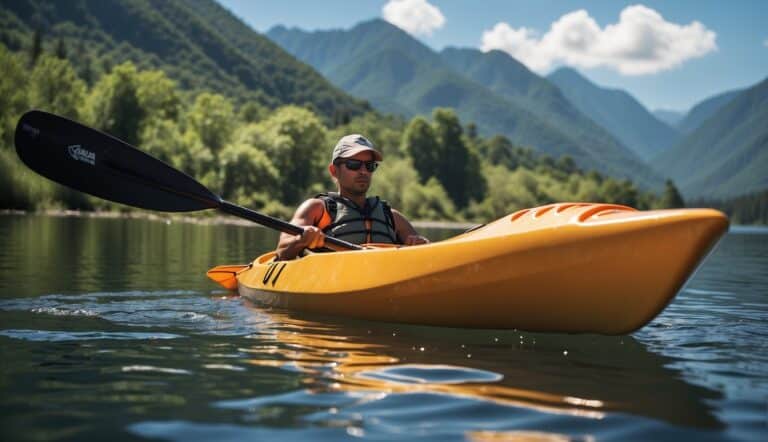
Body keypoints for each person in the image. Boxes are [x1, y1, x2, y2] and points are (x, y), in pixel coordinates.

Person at [276, 134, 429, 260]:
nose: (363, 171)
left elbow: (427, 256)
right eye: (354, 164)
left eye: (369, 166)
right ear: (334, 170)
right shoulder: (316, 209)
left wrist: (420, 244)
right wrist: (300, 240)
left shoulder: (393, 218)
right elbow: (282, 251)